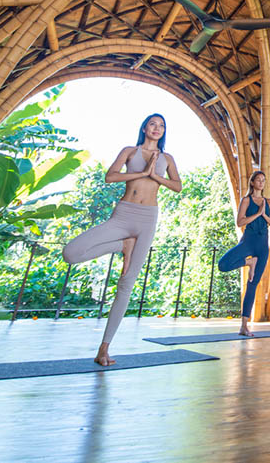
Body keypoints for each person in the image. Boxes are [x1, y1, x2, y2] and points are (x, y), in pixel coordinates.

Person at [62, 113, 180, 365]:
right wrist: (141, 174)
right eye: (153, 124)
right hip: (123, 214)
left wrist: (154, 175)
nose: (157, 128)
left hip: (147, 219)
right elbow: (111, 176)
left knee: (126, 284)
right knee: (71, 253)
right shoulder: (129, 151)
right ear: (144, 128)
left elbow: (177, 186)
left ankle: (104, 349)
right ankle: (122, 245)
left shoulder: (167, 158)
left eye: (161, 126)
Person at [218, 171, 270, 337]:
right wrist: (257, 213)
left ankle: (244, 326)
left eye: (263, 180)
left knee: (252, 284)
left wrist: (264, 214)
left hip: (262, 244)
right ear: (252, 182)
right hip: (248, 241)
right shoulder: (246, 200)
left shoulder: (269, 202)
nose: (261, 183)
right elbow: (239, 222)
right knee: (223, 264)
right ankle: (249, 262)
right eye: (258, 180)